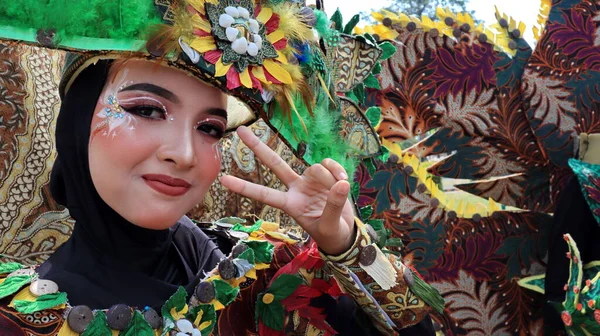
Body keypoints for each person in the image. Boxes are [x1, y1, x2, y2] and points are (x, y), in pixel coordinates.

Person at [0, 0, 441, 335]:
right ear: (77, 124)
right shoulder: (19, 318)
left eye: (210, 129)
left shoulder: (263, 267)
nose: (185, 154)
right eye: (149, 110)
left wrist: (345, 245)